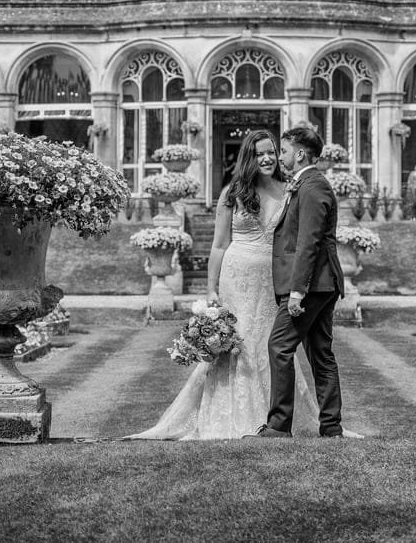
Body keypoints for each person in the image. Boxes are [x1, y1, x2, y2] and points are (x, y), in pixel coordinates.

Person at [129, 129, 325, 440]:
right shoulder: (232, 193)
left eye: (272, 152)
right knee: (240, 342)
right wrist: (211, 289)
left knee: (271, 343)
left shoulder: (290, 189)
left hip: (273, 278)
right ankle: (233, 414)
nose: (267, 158)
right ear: (248, 157)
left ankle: (276, 418)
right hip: (237, 276)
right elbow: (219, 246)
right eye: (260, 153)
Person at [251, 126, 348, 439]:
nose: (281, 156)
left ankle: (279, 425)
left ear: (301, 153)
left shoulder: (312, 186)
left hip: (312, 286)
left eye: (284, 150)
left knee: (279, 346)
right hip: (320, 284)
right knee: (321, 353)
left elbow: (308, 242)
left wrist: (296, 292)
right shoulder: (304, 184)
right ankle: (331, 426)